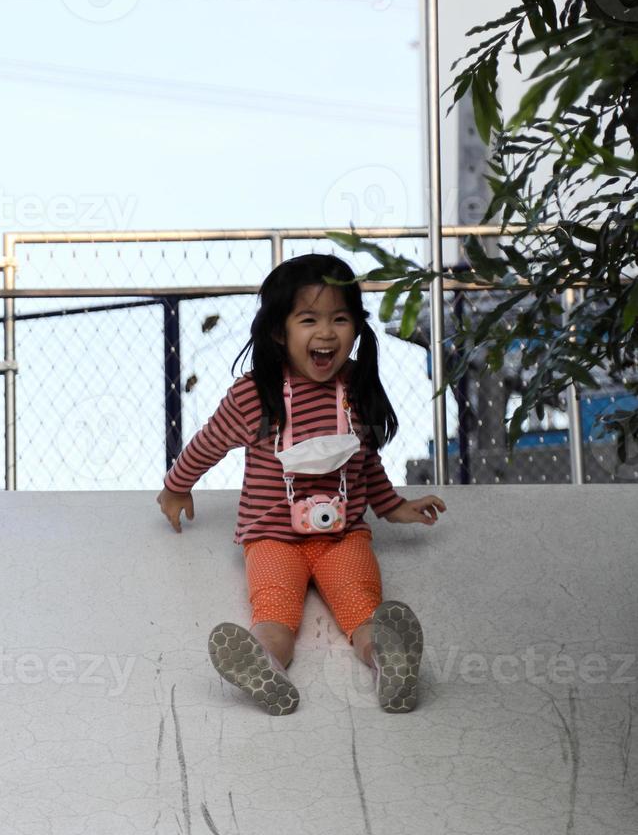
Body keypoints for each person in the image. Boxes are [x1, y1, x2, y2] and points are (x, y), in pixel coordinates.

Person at [155, 253, 446, 715]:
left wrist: (393, 507)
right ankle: (264, 663)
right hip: (272, 537)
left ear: (357, 328)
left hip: (344, 535)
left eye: (340, 319)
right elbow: (208, 443)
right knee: (274, 613)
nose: (326, 333)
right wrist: (177, 486)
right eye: (309, 319)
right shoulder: (255, 394)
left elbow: (365, 461)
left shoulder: (355, 387)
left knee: (362, 609)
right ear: (278, 331)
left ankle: (389, 662)